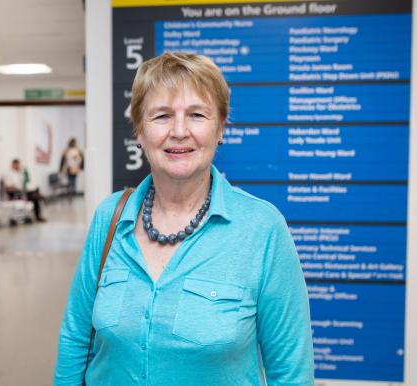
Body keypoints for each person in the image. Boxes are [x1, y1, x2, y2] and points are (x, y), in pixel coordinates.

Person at [54, 53, 313, 385]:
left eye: (197, 115)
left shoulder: (262, 229)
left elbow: (291, 371)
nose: (179, 131)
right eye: (161, 116)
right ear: (139, 132)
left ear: (220, 127)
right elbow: (76, 339)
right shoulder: (110, 217)